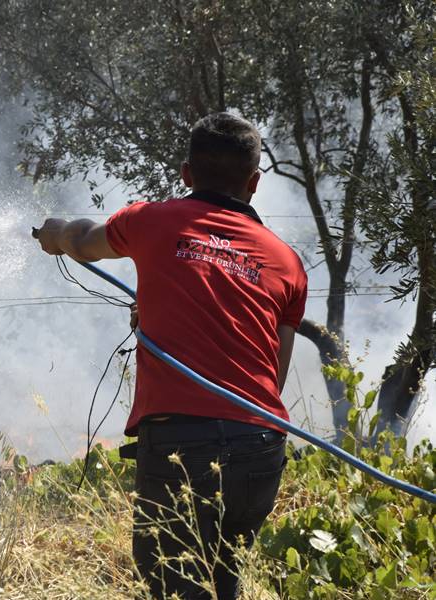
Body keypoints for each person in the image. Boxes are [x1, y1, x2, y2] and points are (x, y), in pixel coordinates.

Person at [34, 112, 307, 599]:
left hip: (184, 442)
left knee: (173, 579)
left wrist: (55, 233)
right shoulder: (286, 261)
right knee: (222, 579)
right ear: (254, 182)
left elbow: (82, 241)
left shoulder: (150, 221)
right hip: (260, 446)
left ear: (186, 174)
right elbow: (274, 373)